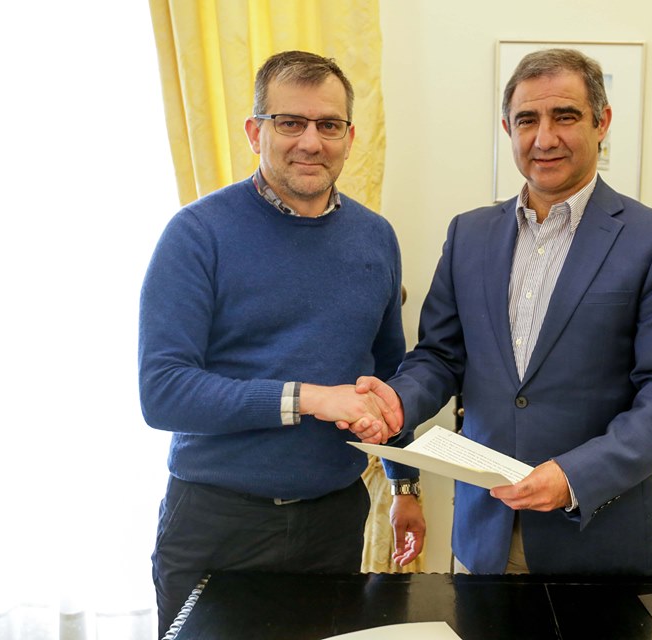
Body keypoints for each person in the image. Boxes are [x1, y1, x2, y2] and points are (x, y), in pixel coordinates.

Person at [352, 48, 652, 575]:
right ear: (507, 128)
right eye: (527, 120)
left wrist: (575, 475)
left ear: (602, 122)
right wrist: (399, 401)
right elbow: (440, 357)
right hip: (483, 538)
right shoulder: (469, 234)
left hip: (598, 541)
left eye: (565, 116)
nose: (544, 138)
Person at [138, 50, 425, 636]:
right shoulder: (196, 234)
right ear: (255, 132)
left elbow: (388, 376)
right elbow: (163, 392)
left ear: (349, 137)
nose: (310, 142)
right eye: (290, 122)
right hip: (217, 523)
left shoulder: (376, 238)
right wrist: (310, 398)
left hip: (334, 521)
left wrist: (405, 485)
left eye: (329, 125)